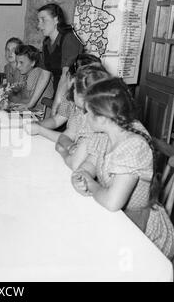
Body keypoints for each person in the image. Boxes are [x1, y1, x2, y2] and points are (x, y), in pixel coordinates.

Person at [71, 78, 174, 260]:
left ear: (102, 118)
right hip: (116, 218)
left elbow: (112, 202)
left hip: (141, 231)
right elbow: (86, 167)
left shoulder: (133, 146)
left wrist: (90, 184)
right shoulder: (104, 136)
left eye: (88, 112)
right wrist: (80, 176)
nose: (84, 117)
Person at [25, 54, 103, 143]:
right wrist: (37, 124)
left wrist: (40, 130)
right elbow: (56, 120)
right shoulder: (70, 96)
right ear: (70, 77)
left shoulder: (93, 108)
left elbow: (69, 138)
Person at [54, 64, 111, 170]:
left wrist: (63, 151)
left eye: (74, 88)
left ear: (82, 95)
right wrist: (70, 146)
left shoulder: (94, 120)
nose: (72, 91)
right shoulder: (82, 112)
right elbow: (64, 136)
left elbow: (76, 164)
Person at [34, 3, 84, 116]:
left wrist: (56, 105)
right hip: (59, 94)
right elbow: (44, 76)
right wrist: (29, 104)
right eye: (38, 21)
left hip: (74, 97)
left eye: (43, 20)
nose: (39, 25)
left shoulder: (69, 38)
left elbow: (65, 76)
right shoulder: (46, 43)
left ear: (56, 19)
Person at [10, 44, 53, 111]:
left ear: (33, 62)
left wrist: (12, 100)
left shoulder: (36, 72)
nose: (18, 66)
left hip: (43, 115)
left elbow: (30, 101)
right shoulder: (26, 74)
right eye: (17, 62)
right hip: (34, 111)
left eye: (21, 62)